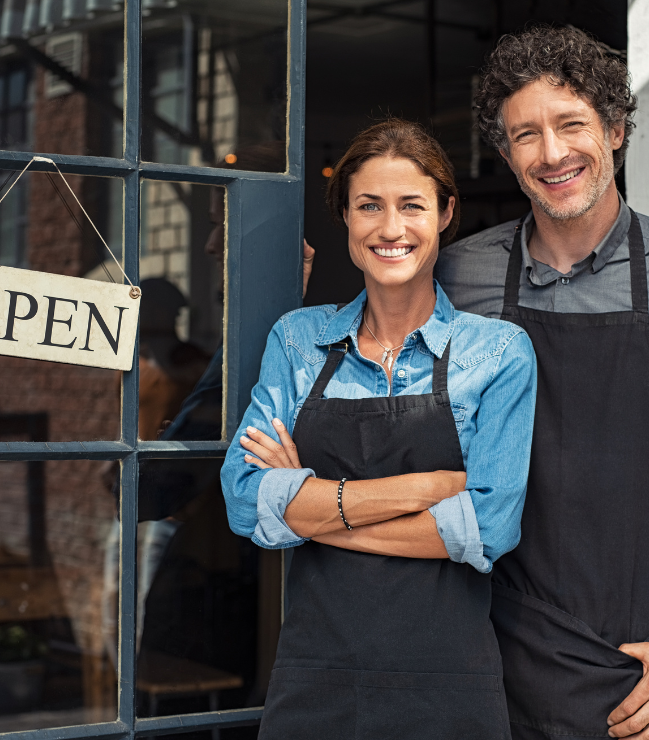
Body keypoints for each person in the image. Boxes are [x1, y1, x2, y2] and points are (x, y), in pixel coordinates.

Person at [220, 119, 537, 739]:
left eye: (411, 205)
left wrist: (312, 510)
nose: (390, 228)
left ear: (446, 213)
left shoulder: (498, 353)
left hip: (449, 687)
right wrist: (430, 489)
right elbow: (242, 499)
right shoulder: (299, 340)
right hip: (316, 681)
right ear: (345, 218)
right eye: (369, 206)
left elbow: (489, 528)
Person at [434, 25, 649, 740]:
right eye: (525, 135)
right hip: (485, 646)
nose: (551, 154)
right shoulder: (454, 276)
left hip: (629, 658)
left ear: (615, 130)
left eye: (570, 125)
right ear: (505, 154)